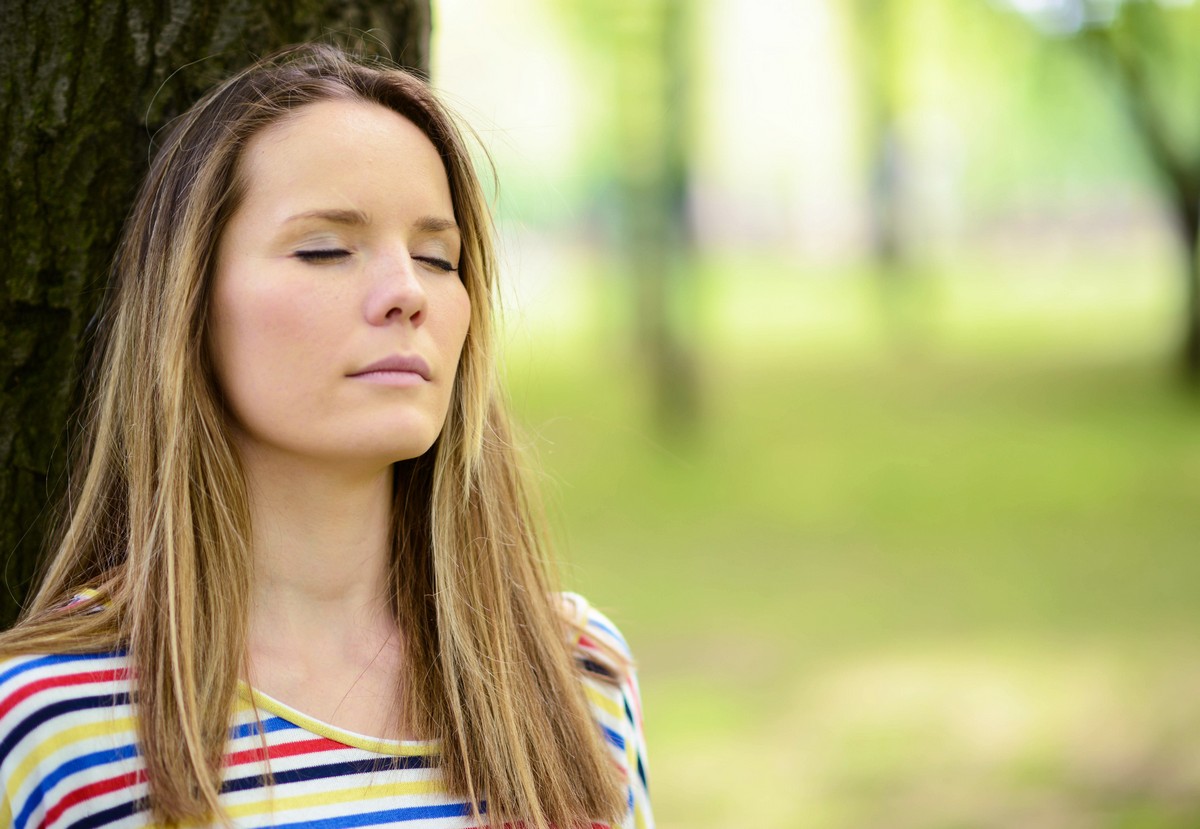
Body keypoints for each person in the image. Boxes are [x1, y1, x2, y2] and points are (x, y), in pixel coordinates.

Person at [0, 43, 651, 829]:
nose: (406, 292)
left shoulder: (575, 671)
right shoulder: (53, 722)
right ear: (189, 306)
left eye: (437, 257)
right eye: (325, 249)